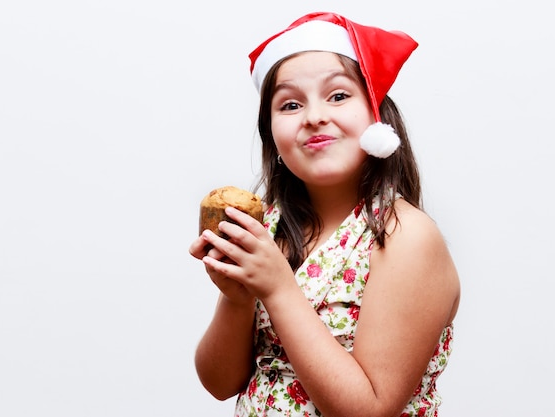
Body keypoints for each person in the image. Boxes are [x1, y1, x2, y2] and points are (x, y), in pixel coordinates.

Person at [189, 11, 460, 417]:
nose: (314, 116)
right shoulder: (273, 228)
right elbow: (220, 383)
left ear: (377, 115)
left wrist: (279, 289)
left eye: (338, 95)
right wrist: (238, 298)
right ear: (272, 135)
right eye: (291, 104)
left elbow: (368, 410)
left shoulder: (406, 238)